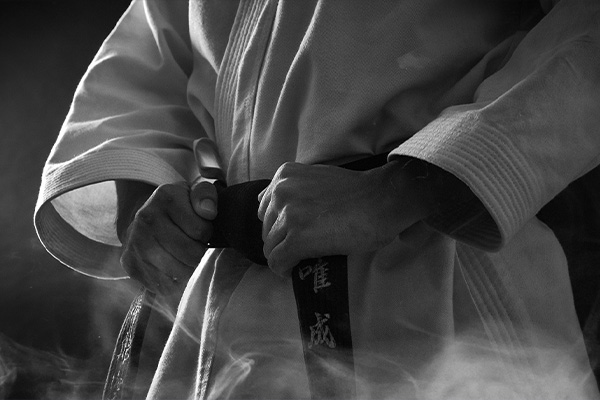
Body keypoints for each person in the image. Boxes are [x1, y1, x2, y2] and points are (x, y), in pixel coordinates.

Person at [35, 0, 600, 398]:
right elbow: (152, 53)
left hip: (441, 272)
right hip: (228, 303)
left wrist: (398, 191)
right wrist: (145, 202)